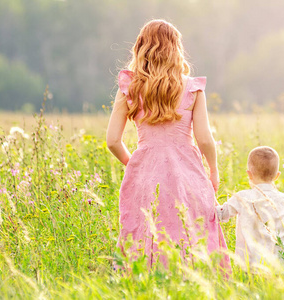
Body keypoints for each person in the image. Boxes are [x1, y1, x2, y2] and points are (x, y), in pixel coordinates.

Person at [106, 19, 229, 269]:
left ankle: (144, 283)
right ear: (176, 49)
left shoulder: (129, 86)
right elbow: (204, 138)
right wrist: (213, 171)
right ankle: (194, 282)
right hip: (188, 171)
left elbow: (112, 141)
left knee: (144, 230)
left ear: (141, 47)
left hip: (144, 171)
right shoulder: (193, 88)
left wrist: (135, 163)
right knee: (192, 230)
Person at [216, 146, 284, 269]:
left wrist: (209, 197)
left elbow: (220, 214)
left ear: (249, 174)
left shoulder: (242, 197)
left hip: (248, 264)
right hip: (277, 266)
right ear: (277, 176)